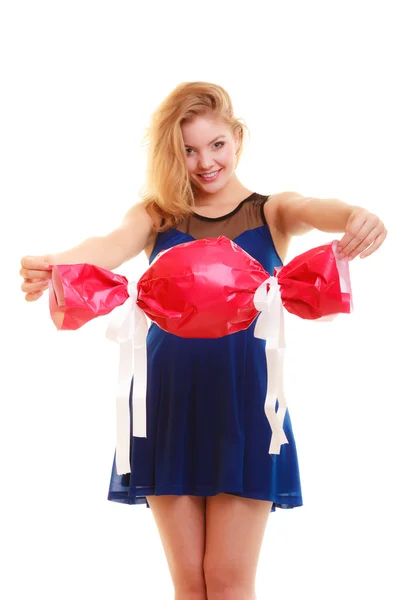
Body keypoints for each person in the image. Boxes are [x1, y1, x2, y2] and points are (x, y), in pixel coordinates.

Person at [20, 81, 387, 600]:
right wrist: (54, 263)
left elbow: (312, 206)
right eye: (188, 150)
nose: (205, 161)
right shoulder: (156, 215)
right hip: (167, 405)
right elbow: (106, 246)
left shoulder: (271, 211)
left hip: (246, 407)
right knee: (191, 585)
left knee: (229, 581)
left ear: (237, 138)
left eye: (217, 144)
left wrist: (355, 216)